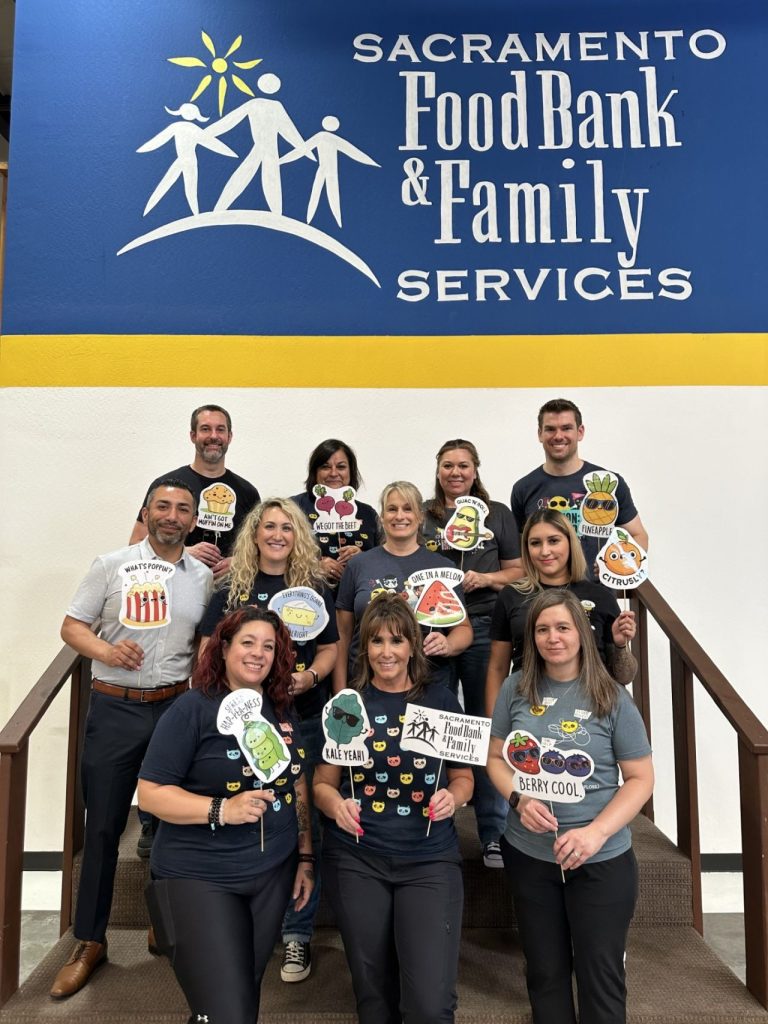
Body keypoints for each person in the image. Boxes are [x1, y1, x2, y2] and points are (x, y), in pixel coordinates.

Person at [49, 479, 213, 1000]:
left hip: (174, 710)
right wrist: (105, 648)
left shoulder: (203, 577)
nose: (172, 516)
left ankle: (163, 923)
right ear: (146, 512)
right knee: (103, 828)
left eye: (183, 509)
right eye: (163, 506)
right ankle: (89, 940)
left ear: (193, 520)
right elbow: (71, 627)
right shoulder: (111, 564)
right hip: (117, 707)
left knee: (171, 826)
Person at [137, 606, 314, 1024]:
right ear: (224, 647)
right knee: (226, 1011)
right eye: (248, 642)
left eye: (268, 646)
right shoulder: (192, 710)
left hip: (271, 874)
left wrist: (305, 856)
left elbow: (297, 781)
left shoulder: (279, 708)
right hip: (199, 876)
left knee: (238, 1000)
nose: (258, 653)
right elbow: (150, 794)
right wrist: (222, 809)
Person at [487, 589, 654, 1024]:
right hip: (530, 855)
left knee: (600, 976)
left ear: (580, 632)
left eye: (562, 627)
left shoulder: (612, 697)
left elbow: (641, 779)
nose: (552, 637)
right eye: (542, 629)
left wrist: (595, 832)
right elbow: (495, 757)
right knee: (545, 974)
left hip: (601, 860)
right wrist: (519, 800)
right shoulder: (514, 688)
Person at [314, 594, 474, 1024]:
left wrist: (454, 796)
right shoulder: (349, 704)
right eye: (377, 641)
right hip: (357, 858)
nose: (387, 651)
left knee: (429, 1004)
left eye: (397, 641)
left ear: (413, 648)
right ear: (364, 647)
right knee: (373, 994)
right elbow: (322, 784)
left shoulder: (439, 702)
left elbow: (464, 778)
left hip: (428, 860)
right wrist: (334, 805)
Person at [199, 497, 337, 984]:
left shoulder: (313, 588)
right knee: (246, 814)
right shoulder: (230, 585)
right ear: (254, 533)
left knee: (302, 824)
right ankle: (245, 923)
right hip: (239, 724)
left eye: (287, 527)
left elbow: (330, 647)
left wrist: (312, 677)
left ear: (298, 535)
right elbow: (207, 649)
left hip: (302, 718)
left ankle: (296, 933)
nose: (278, 534)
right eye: (269, 526)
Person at [423, 438, 522, 869]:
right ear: (438, 470)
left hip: (484, 627)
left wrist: (487, 579)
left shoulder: (497, 514)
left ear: (476, 470)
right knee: (433, 725)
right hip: (432, 632)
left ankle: (493, 832)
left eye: (464, 465)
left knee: (485, 728)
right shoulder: (425, 516)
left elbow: (519, 571)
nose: (456, 472)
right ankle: (433, 819)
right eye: (448, 465)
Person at [486, 509, 637, 716]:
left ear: (570, 543)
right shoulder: (511, 595)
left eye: (554, 541)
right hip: (529, 707)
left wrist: (621, 645)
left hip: (591, 709)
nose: (544, 551)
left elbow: (624, 676)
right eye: (535, 543)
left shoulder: (601, 596)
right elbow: (497, 667)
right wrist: (495, 723)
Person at [334, 481, 473, 692]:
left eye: (408, 509)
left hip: (429, 685)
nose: (400, 516)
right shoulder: (358, 565)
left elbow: (463, 630)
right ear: (382, 517)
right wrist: (340, 691)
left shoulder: (442, 567)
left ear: (420, 517)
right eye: (392, 509)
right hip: (366, 685)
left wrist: (449, 644)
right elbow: (342, 635)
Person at [510, 398, 649, 573]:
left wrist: (618, 564)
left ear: (580, 432)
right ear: (540, 434)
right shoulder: (523, 488)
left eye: (566, 428)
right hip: (544, 597)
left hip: (599, 595)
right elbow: (520, 549)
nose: (558, 436)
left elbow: (639, 535)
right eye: (550, 429)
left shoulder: (610, 484)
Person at [130, 404, 260, 579]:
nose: (214, 436)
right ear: (193, 436)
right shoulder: (165, 486)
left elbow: (261, 550)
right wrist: (182, 554)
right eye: (205, 429)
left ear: (229, 437)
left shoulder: (247, 492)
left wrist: (240, 561)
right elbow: (135, 545)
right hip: (174, 587)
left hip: (227, 594)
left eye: (220, 430)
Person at [290, 438, 379, 586]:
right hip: (309, 596)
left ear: (351, 471)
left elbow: (383, 560)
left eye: (341, 467)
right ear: (315, 472)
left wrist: (363, 559)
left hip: (357, 600)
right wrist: (313, 567)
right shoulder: (294, 508)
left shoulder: (368, 513)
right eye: (325, 467)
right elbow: (276, 554)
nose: (333, 473)